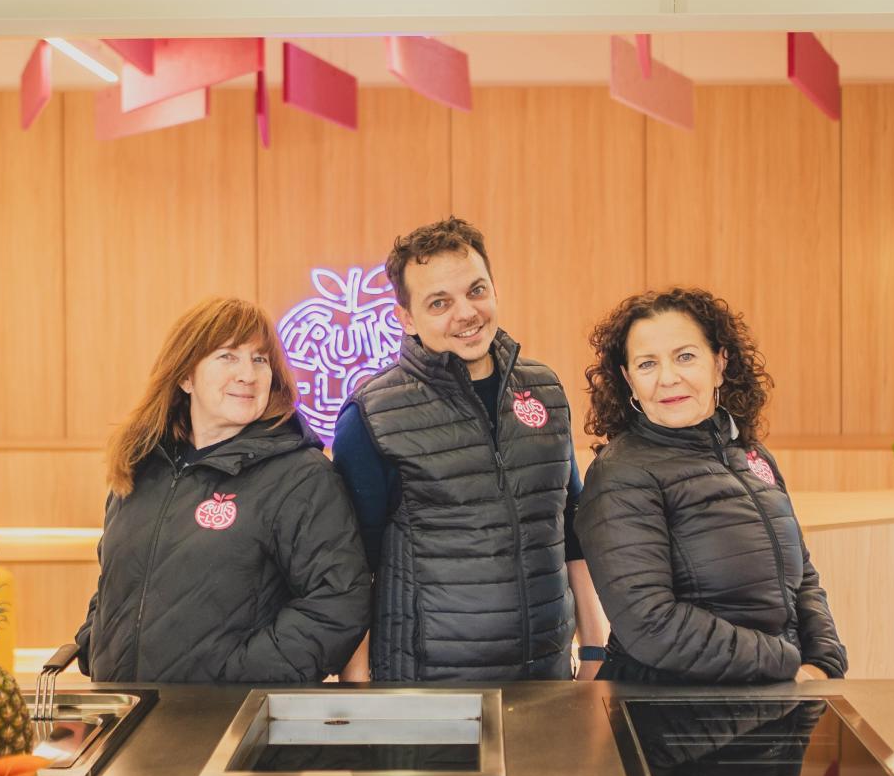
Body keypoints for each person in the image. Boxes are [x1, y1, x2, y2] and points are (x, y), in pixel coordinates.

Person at [332, 217, 610, 681]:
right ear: (406, 318)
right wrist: (356, 687)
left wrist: (595, 648)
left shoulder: (544, 388)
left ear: (494, 290)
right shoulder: (372, 416)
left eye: (476, 291)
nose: (465, 313)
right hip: (428, 689)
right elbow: (355, 564)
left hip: (547, 678)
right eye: (439, 302)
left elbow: (568, 522)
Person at [75, 297, 370, 682]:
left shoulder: (301, 476)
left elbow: (338, 601)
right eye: (228, 356)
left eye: (260, 359)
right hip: (125, 708)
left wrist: (240, 677)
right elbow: (115, 578)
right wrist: (93, 641)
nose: (248, 374)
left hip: (232, 715)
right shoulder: (140, 466)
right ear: (186, 377)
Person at [575, 287, 848, 683]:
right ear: (629, 380)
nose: (668, 378)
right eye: (647, 364)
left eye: (685, 356)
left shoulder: (751, 454)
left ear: (720, 364)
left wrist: (824, 661)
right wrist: (788, 666)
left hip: (773, 694)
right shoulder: (620, 474)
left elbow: (801, 576)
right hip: (672, 707)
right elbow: (650, 623)